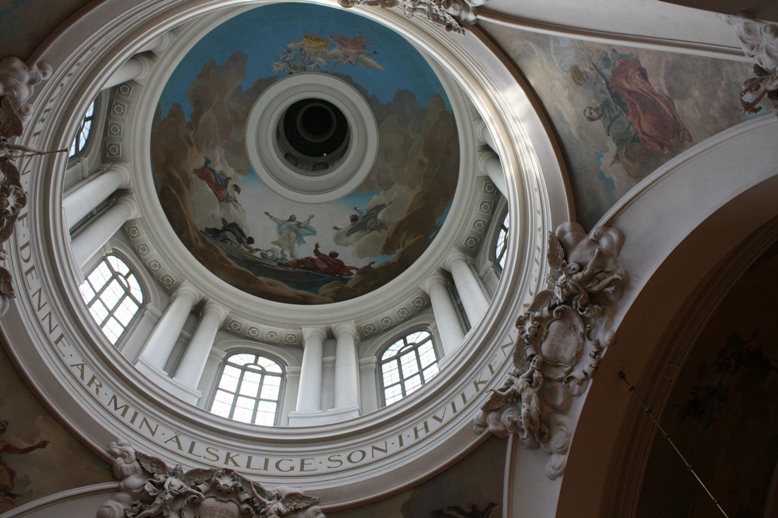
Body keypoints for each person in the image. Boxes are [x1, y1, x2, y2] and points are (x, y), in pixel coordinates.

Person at [0, 420, 48, 505]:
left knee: (6, 476)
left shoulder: (2, 444)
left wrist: (37, 446)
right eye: (1, 425)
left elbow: (21, 451)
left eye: (3, 426)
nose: (2, 428)